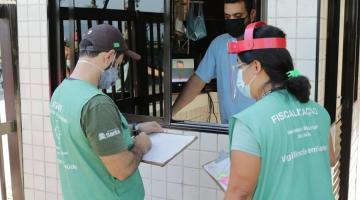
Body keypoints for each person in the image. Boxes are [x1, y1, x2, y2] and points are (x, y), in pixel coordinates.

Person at [50, 24, 163, 200]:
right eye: (118, 64)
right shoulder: (97, 104)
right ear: (109, 56)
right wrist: (141, 145)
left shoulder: (61, 92)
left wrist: (135, 128)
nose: (117, 72)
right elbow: (122, 169)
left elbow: (87, 135)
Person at [225, 22, 336, 200]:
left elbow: (240, 193)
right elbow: (330, 159)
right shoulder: (319, 111)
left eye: (240, 67)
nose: (239, 74)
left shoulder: (250, 122)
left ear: (255, 66)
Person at [172, 0, 257, 124]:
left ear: (252, 14)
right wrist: (171, 112)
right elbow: (197, 81)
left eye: (237, 16)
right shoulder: (219, 44)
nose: (232, 20)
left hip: (259, 130)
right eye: (227, 17)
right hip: (229, 129)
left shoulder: (264, 45)